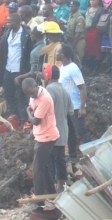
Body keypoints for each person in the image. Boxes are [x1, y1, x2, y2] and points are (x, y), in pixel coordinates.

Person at [22, 77, 59, 199]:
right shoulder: (33, 95)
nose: (31, 96)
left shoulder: (44, 99)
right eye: (28, 95)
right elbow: (33, 113)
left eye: (31, 93)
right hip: (41, 135)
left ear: (35, 85)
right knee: (44, 166)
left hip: (46, 137)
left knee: (37, 171)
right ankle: (52, 194)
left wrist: (28, 112)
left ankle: (38, 202)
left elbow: (36, 120)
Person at [42, 64, 72, 192]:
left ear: (47, 76)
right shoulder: (64, 90)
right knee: (60, 159)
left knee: (49, 161)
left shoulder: (49, 90)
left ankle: (51, 190)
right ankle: (60, 187)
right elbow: (71, 111)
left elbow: (45, 110)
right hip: (63, 130)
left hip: (50, 131)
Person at [0, 13, 32, 125]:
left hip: (20, 70)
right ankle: (15, 114)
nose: (7, 23)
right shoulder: (7, 33)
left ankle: (23, 120)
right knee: (8, 93)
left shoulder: (26, 35)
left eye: (10, 22)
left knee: (22, 95)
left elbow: (30, 53)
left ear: (17, 22)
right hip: (8, 68)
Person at [58, 45, 90, 159]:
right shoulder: (62, 67)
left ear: (62, 55)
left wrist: (82, 107)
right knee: (69, 132)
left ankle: (92, 153)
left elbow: (82, 88)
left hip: (76, 106)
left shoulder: (73, 68)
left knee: (81, 131)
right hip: (67, 107)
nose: (56, 53)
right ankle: (72, 155)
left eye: (58, 52)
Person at [65, 0, 86, 65]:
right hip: (70, 41)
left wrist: (72, 46)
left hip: (78, 42)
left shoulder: (79, 18)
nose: (71, 8)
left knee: (78, 61)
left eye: (73, 6)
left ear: (77, 7)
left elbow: (78, 34)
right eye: (70, 6)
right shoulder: (71, 15)